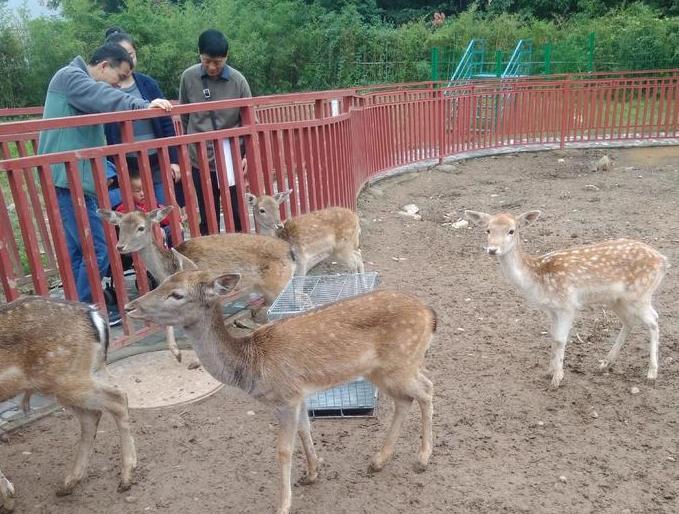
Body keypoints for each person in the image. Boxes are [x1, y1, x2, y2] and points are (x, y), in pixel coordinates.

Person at [37, 43, 173, 325]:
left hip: (77, 179)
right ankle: (84, 313)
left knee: (80, 251)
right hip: (68, 180)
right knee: (97, 249)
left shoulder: (78, 83)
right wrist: (141, 104)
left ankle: (74, 311)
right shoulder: (70, 77)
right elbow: (105, 96)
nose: (119, 84)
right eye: (119, 76)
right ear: (103, 66)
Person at [178, 28, 252, 235]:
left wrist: (244, 155)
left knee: (236, 211)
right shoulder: (188, 77)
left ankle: (240, 249)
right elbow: (185, 115)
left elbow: (249, 121)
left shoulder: (238, 81)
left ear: (226, 57)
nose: (211, 67)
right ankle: (210, 256)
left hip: (231, 157)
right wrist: (192, 144)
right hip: (199, 158)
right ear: (199, 54)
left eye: (217, 62)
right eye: (207, 60)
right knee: (206, 211)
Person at [103, 28, 181, 206]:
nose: (128, 61)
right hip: (124, 167)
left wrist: (174, 161)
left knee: (165, 210)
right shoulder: (103, 89)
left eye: (131, 54)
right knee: (132, 217)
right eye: (122, 56)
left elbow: (166, 123)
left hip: (156, 161)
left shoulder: (147, 83)